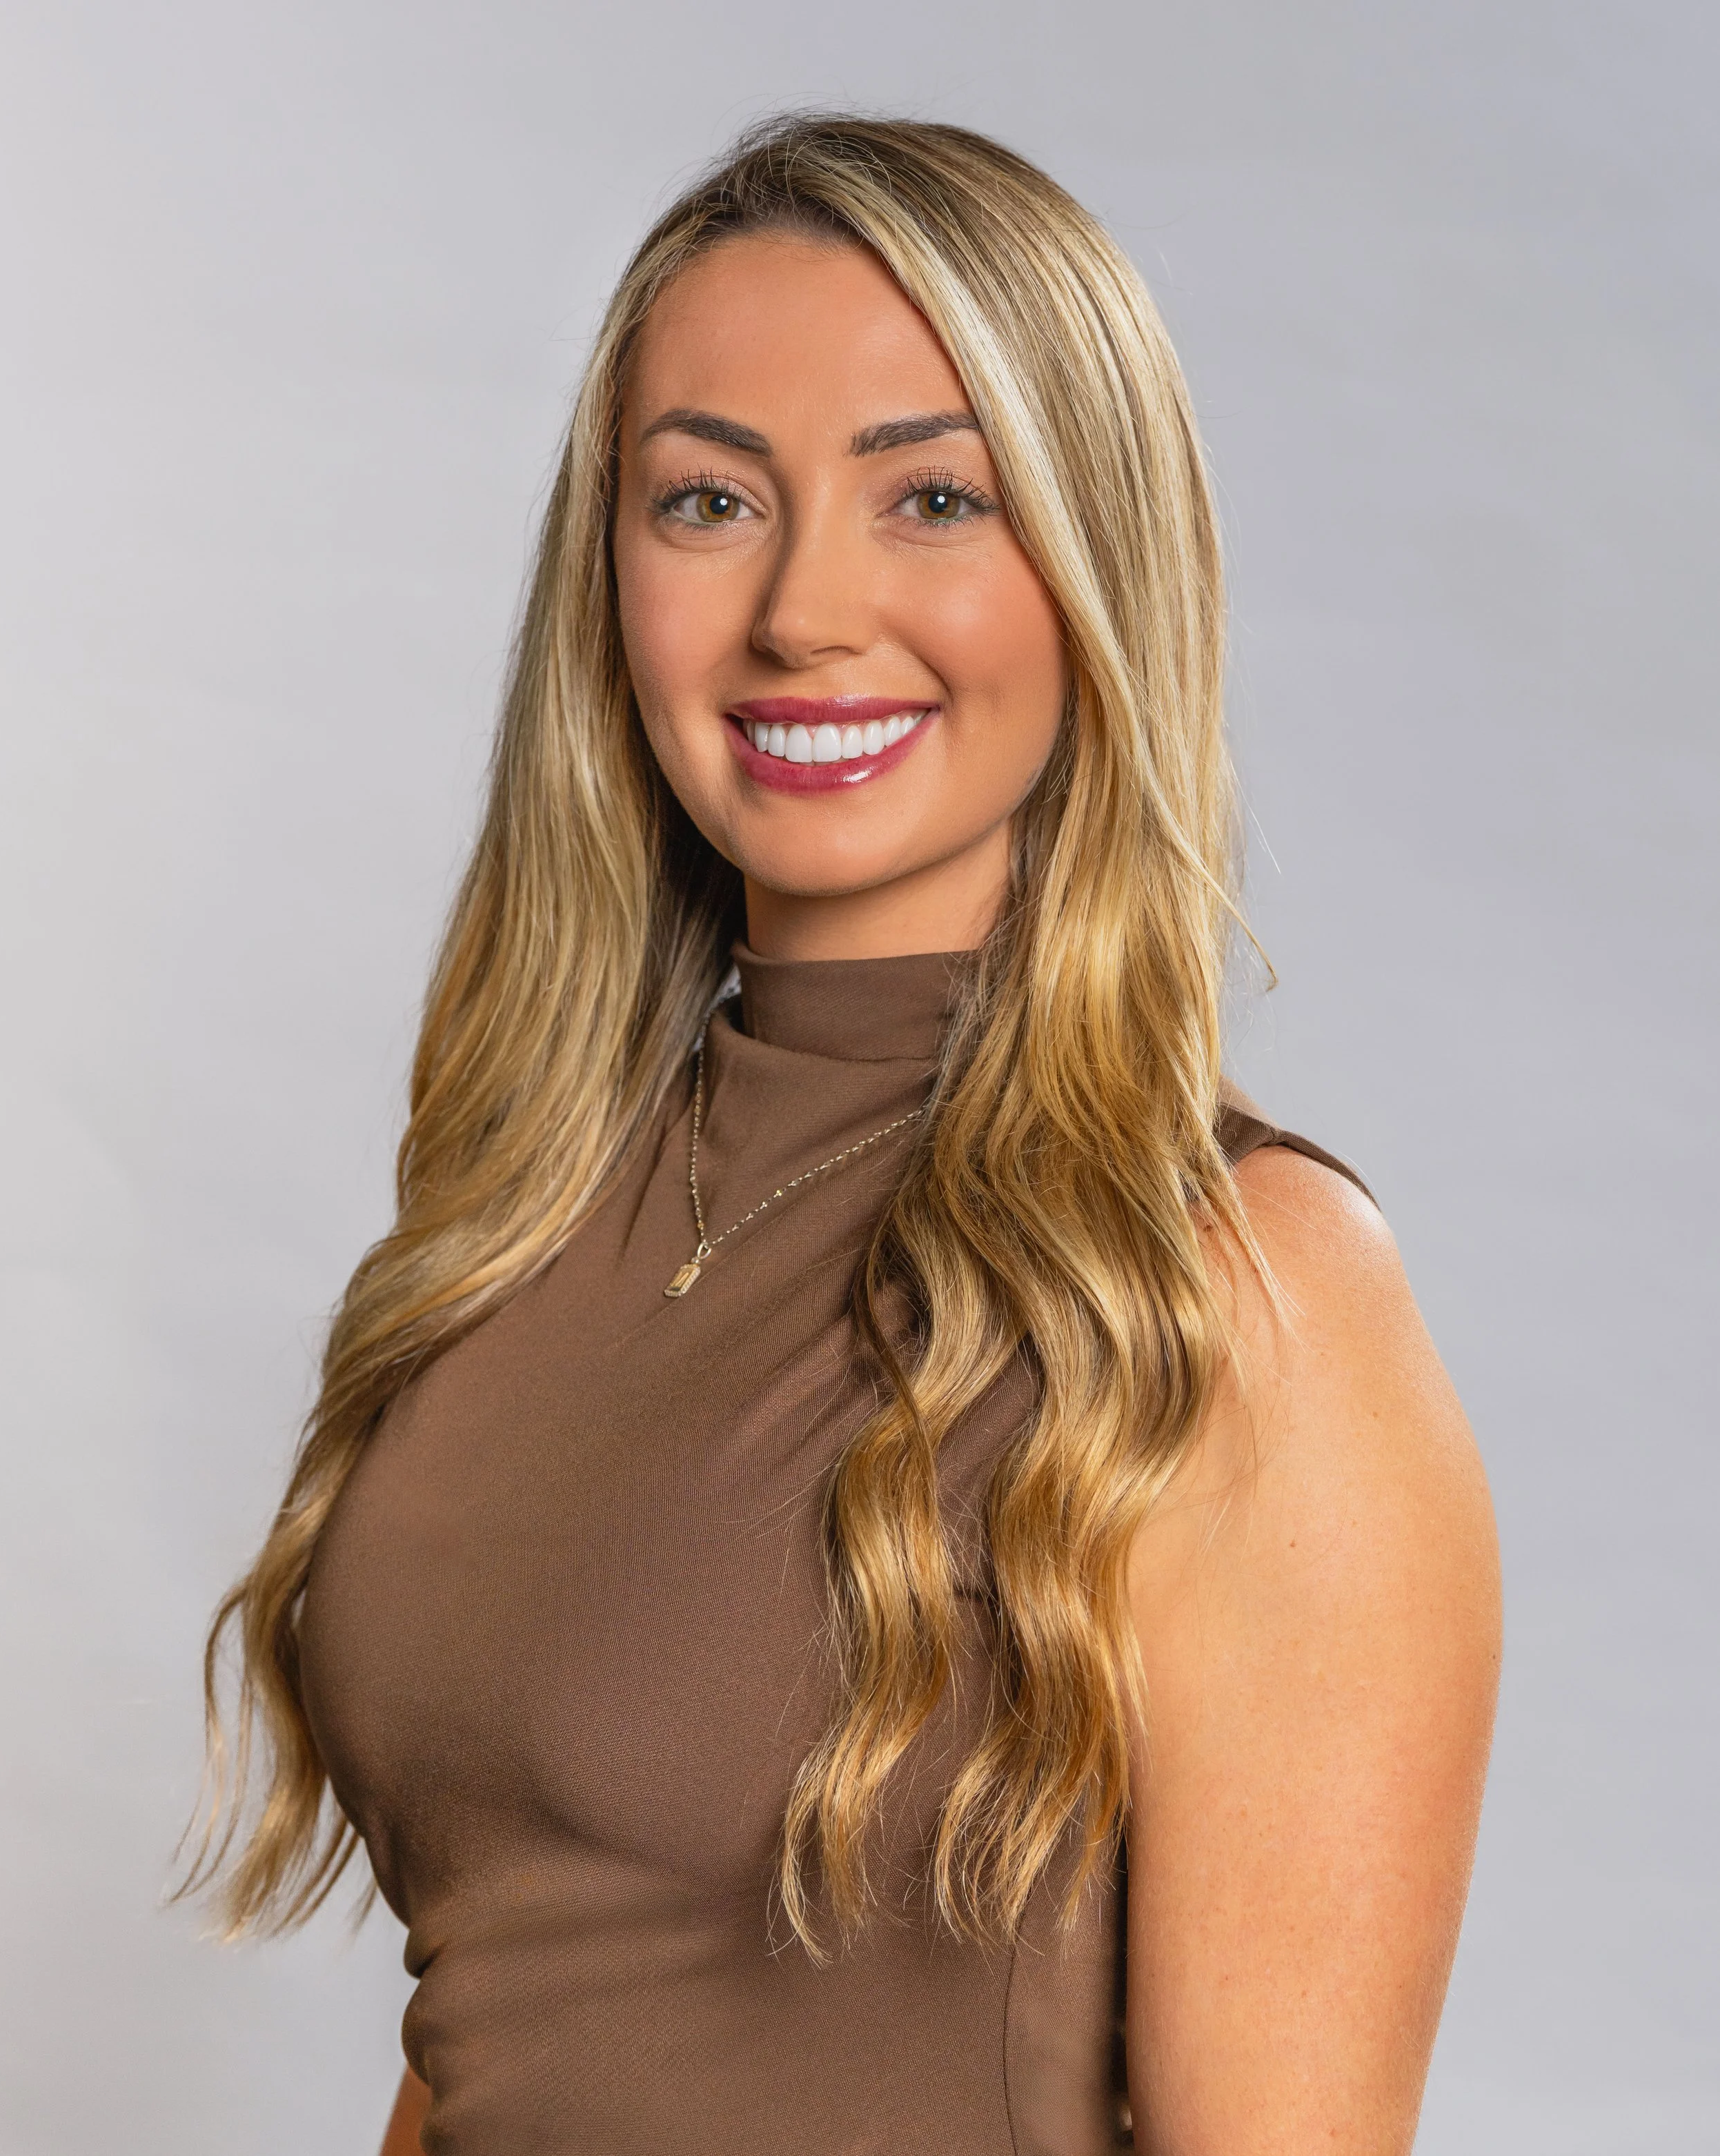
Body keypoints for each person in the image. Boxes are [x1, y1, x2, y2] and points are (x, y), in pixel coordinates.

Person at [189, 115, 1501, 2155]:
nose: (804, 609)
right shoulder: (534, 1216)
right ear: (609, 572)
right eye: (709, 499)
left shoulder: (1241, 1295)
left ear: (1095, 565)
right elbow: (519, 2010)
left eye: (935, 498)